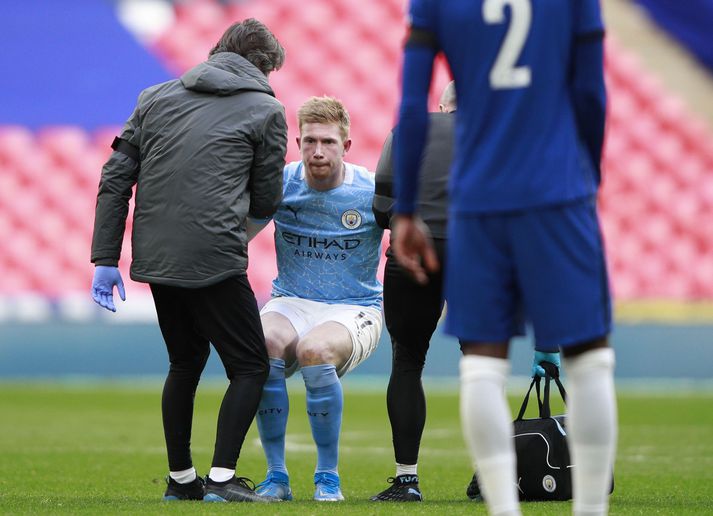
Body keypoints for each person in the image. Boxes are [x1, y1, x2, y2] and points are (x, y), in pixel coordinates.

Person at [391, 2, 617, 515]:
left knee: (482, 366)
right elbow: (589, 92)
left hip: (478, 198)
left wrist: (406, 209)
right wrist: (589, 179)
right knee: (590, 359)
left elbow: (411, 105)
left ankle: (502, 509)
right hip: (557, 187)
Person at [90, 18, 288, 503]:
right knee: (249, 365)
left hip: (155, 255)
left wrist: (104, 257)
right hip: (214, 255)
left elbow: (115, 178)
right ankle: (221, 479)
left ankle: (182, 481)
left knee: (185, 361)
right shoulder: (266, 110)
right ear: (263, 67)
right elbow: (267, 197)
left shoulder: (153, 97)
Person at [370, 81, 560, 502]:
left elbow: (382, 206)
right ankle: (491, 477)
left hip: (414, 253)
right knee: (482, 370)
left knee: (406, 363)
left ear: (442, 106)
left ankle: (406, 481)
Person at [247, 96, 384, 502]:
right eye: (309, 141)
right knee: (263, 343)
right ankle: (276, 477)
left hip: (354, 306)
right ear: (298, 141)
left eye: (327, 141)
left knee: (315, 349)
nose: (318, 151)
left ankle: (328, 477)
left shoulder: (373, 192)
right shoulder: (281, 184)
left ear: (346, 146)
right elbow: (239, 232)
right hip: (292, 300)